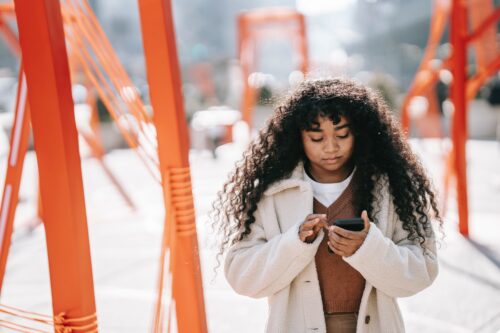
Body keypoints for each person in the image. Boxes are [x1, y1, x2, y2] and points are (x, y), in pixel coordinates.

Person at [211, 78, 441, 333]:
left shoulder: (390, 188)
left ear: (359, 133)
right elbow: (241, 277)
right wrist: (294, 243)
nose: (331, 147)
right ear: (298, 138)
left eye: (342, 134)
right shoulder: (272, 193)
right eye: (316, 138)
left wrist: (368, 248)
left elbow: (424, 270)